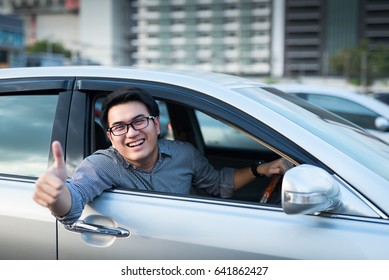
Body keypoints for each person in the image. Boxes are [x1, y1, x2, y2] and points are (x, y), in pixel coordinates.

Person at [33, 86, 292, 225]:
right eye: (119, 127)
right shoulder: (102, 165)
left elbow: (218, 184)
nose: (131, 133)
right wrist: (58, 195)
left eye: (139, 121)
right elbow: (74, 201)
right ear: (111, 136)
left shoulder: (184, 154)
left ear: (156, 125)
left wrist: (262, 169)